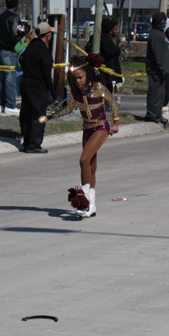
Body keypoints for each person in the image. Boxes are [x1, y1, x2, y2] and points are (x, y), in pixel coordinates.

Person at [41, 55, 119, 218]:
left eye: (80, 77)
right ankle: (92, 205)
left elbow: (113, 103)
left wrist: (115, 123)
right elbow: (68, 109)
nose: (77, 81)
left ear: (87, 74)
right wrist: (49, 117)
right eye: (74, 78)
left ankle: (84, 201)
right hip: (87, 129)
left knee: (83, 159)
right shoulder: (75, 92)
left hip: (101, 128)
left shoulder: (98, 87)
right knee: (91, 166)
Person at [19, 22, 55, 153]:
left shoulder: (29, 48)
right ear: (48, 35)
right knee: (39, 116)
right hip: (37, 87)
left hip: (25, 84)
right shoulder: (44, 51)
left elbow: (22, 64)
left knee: (26, 114)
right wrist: (53, 92)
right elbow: (47, 75)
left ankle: (26, 143)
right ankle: (34, 145)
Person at [0, 0, 23, 115]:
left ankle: (2, 103)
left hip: (1, 50)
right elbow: (15, 34)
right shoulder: (14, 18)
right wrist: (21, 36)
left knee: (2, 78)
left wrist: (0, 42)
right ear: (16, 5)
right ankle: (10, 105)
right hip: (10, 51)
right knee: (10, 79)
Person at [144, 12, 169, 128]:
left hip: (161, 70)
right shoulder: (156, 35)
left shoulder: (160, 34)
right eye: (162, 22)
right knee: (155, 93)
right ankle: (152, 114)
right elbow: (158, 54)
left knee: (160, 93)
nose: (164, 25)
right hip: (156, 70)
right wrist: (162, 68)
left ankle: (157, 113)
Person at [98, 18, 126, 94]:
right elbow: (108, 53)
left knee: (110, 89)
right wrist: (119, 46)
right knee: (107, 89)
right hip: (107, 68)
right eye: (115, 29)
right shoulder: (105, 39)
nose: (117, 31)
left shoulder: (113, 39)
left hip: (112, 67)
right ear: (110, 30)